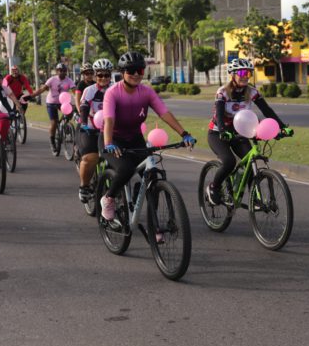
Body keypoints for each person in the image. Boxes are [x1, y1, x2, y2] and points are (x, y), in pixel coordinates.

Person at [99, 51, 196, 222]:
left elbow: (164, 113)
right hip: (112, 139)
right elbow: (108, 120)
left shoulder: (146, 92)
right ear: (122, 73)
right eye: (131, 70)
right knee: (126, 169)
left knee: (152, 173)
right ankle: (108, 198)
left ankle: (154, 224)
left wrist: (184, 134)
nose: (136, 74)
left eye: (140, 71)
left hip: (135, 138)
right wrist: (109, 143)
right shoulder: (113, 93)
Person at [204, 58, 293, 206]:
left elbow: (267, 110)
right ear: (233, 74)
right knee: (229, 162)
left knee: (251, 164)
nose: (246, 75)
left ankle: (255, 199)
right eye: (242, 72)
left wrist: (282, 127)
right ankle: (214, 187)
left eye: (249, 73)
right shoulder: (223, 92)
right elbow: (219, 115)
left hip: (240, 133)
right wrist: (222, 130)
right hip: (218, 134)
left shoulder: (252, 92)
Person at [77, 58, 113, 202]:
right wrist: (84, 122)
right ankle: (84, 186)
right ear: (95, 75)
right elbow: (84, 107)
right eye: (100, 75)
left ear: (111, 75)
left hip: (110, 130)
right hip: (90, 128)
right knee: (90, 157)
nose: (103, 78)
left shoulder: (116, 88)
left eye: (106, 75)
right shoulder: (89, 90)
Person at [35, 63, 76, 153]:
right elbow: (42, 89)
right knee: (54, 122)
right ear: (57, 71)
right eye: (60, 70)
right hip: (51, 103)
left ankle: (65, 126)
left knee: (71, 111)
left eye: (64, 71)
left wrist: (78, 100)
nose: (62, 72)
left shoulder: (69, 80)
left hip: (63, 103)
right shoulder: (52, 79)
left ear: (66, 72)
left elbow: (75, 91)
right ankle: (52, 141)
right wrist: (32, 95)